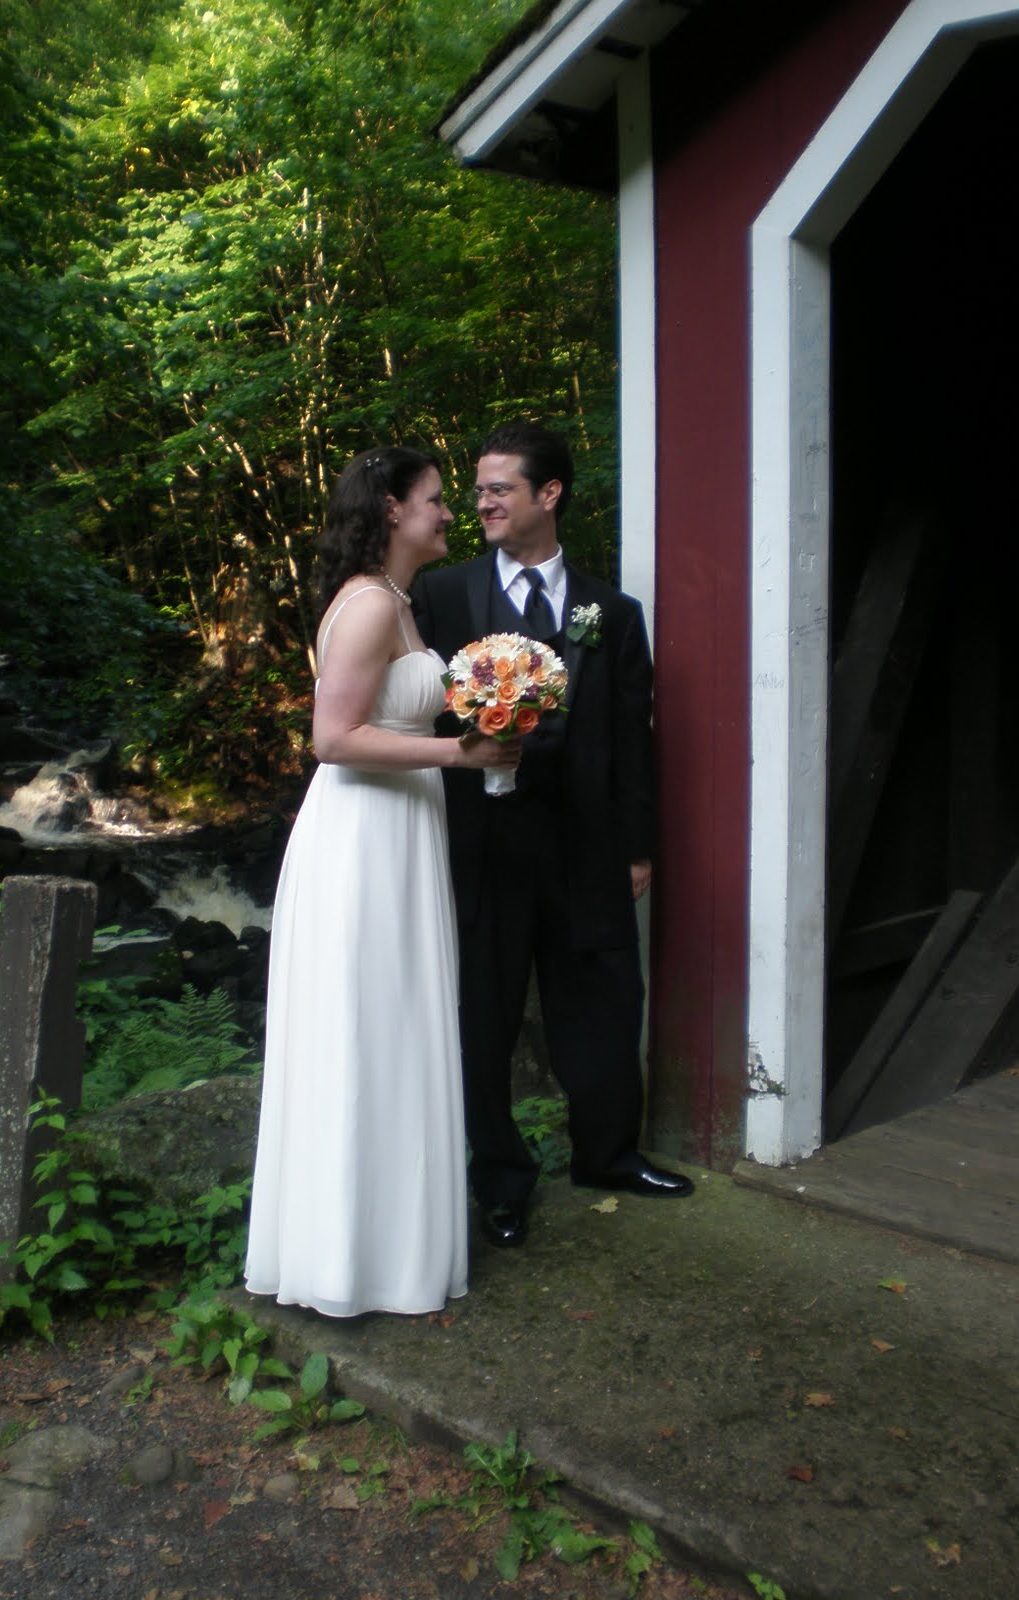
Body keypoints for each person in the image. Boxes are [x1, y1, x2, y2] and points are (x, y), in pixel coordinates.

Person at [244, 446, 519, 1316]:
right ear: (394, 510)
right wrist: (459, 752)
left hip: (400, 830)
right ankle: (343, 1260)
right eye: (437, 500)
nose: (451, 513)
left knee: (396, 1028)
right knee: (359, 1032)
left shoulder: (397, 601)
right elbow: (331, 739)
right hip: (361, 840)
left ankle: (392, 1252)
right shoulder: (366, 607)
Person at [412, 422, 693, 1250]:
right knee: (484, 1015)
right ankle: (500, 1182)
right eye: (477, 490)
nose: (483, 502)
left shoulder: (612, 609)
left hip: (585, 846)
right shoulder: (443, 595)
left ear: (549, 494)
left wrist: (638, 845)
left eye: (500, 488)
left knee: (605, 1001)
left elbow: (635, 736)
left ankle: (608, 1155)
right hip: (480, 843)